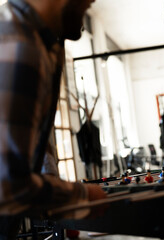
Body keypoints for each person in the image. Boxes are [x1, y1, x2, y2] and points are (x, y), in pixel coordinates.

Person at [0, 0, 107, 239]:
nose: (92, 1)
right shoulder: (21, 45)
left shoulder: (41, 42)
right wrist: (82, 196)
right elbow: (6, 188)